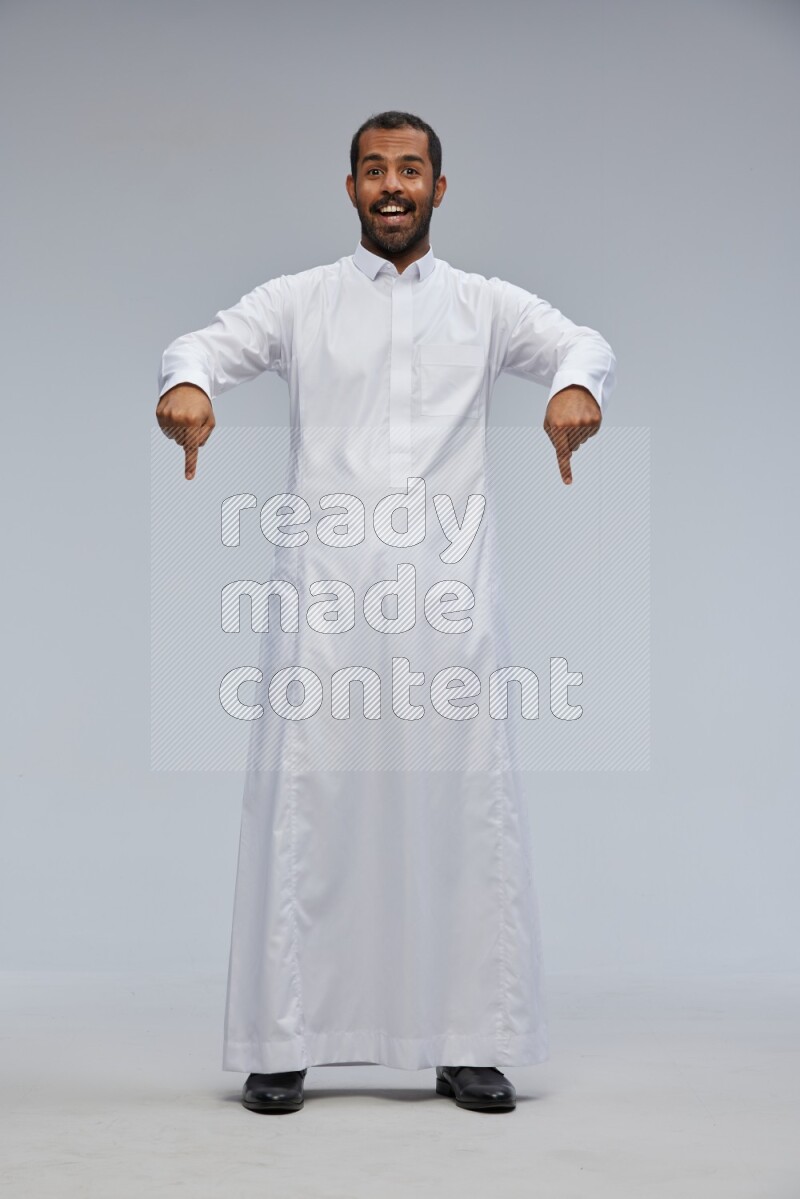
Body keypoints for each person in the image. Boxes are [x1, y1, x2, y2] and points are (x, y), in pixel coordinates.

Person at [156, 110, 616, 1115]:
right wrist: (186, 384)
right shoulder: (301, 301)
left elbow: (580, 341)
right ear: (351, 186)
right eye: (375, 170)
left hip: (447, 602)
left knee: (461, 807)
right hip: (324, 596)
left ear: (439, 189)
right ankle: (283, 1041)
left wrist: (574, 385)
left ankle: (467, 1042)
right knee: (306, 807)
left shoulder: (483, 305)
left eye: (411, 169)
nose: (393, 185)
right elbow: (204, 342)